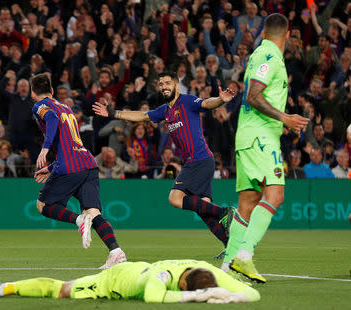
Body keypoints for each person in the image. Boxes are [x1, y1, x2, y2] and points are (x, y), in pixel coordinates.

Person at [93, 71, 237, 257]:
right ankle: (231, 247)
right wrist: (113, 113)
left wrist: (221, 100)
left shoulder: (186, 101)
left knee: (175, 198)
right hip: (198, 162)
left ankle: (225, 211)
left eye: (167, 83)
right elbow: (142, 116)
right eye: (161, 84)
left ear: (176, 85)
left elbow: (206, 103)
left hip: (199, 160)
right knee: (203, 209)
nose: (163, 87)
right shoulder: (165, 110)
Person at [222, 14, 309, 283]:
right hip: (260, 137)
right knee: (275, 195)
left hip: (249, 135)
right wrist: (285, 118)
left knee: (247, 203)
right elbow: (253, 95)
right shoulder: (270, 57)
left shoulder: (260, 55)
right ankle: (244, 256)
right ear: (289, 33)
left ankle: (227, 266)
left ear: (263, 32)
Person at [30, 73, 126, 269]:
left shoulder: (40, 106)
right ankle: (116, 252)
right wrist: (51, 167)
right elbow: (69, 143)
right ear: (53, 91)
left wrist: (45, 148)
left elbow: (51, 119)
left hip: (69, 165)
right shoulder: (66, 107)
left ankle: (78, 220)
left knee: (43, 206)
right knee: (94, 211)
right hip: (87, 162)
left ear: (33, 93)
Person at [0, 259, 260, 304]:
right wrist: (200, 296)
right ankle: (0, 288)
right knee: (60, 290)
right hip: (112, 280)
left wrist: (234, 295)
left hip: (135, 268)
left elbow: (252, 294)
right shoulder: (165, 278)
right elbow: (154, 298)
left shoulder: (206, 268)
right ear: (185, 285)